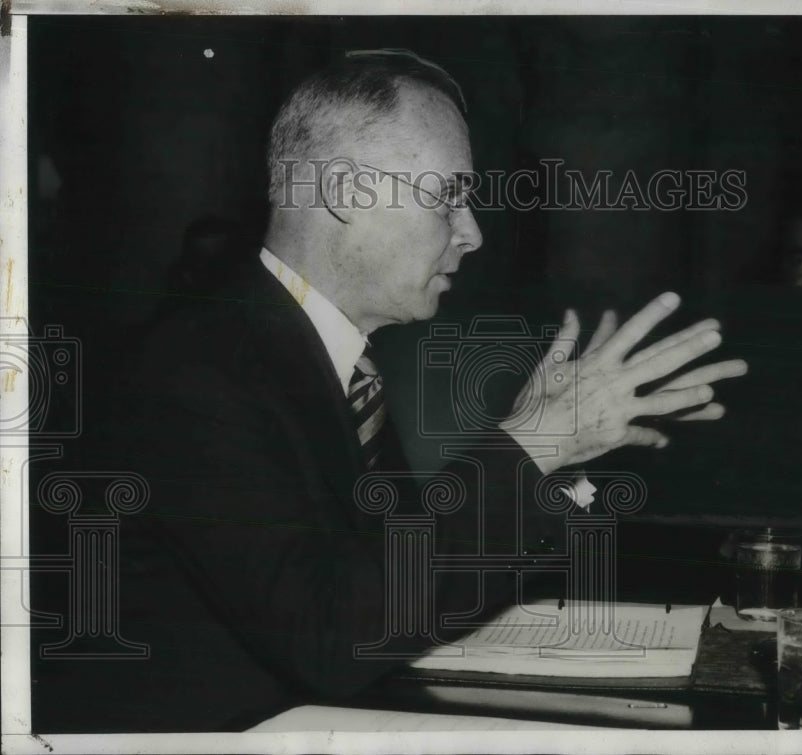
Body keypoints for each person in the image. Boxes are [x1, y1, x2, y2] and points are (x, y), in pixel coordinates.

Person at [33, 50, 747, 732]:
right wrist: (531, 442)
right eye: (449, 197)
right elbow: (338, 636)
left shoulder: (325, 360)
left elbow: (399, 585)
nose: (472, 233)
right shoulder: (195, 370)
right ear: (344, 193)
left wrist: (550, 462)